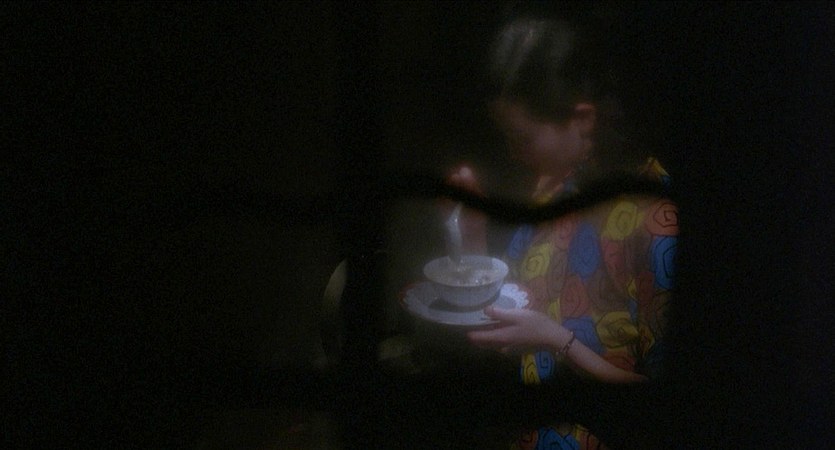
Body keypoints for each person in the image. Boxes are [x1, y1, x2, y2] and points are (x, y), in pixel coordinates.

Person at [446, 13, 679, 450]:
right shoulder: (557, 186)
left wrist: (558, 341)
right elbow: (513, 303)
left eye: (523, 139)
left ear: (583, 119)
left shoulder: (656, 218)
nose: (513, 154)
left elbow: (667, 403)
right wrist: (473, 231)